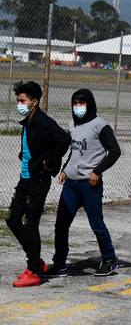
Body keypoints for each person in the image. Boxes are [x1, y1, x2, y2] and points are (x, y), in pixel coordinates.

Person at [42, 89, 122, 278]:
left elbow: (115, 151)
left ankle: (110, 260)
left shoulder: (100, 125)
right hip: (71, 184)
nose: (78, 107)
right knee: (61, 225)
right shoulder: (73, 125)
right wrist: (64, 169)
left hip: (89, 184)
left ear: (90, 104)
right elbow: (74, 152)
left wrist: (97, 171)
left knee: (96, 224)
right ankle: (60, 263)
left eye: (82, 103)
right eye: (75, 103)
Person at [5, 81, 71, 287]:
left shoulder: (43, 122)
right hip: (25, 178)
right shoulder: (28, 120)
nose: (19, 104)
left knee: (30, 224)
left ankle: (33, 270)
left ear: (34, 102)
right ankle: (36, 260)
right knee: (13, 220)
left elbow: (63, 140)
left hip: (38, 180)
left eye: (23, 100)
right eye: (18, 100)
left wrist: (49, 163)